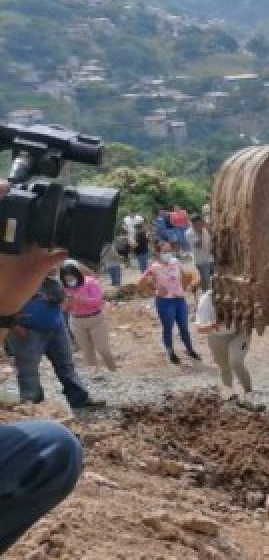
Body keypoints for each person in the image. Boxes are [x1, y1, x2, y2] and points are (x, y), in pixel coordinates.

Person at [0, 180, 84, 554]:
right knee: (29, 376)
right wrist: (6, 309)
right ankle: (31, 399)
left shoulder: (52, 285)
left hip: (49, 330)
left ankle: (67, 396)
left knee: (53, 450)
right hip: (27, 332)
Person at [6, 272, 106, 411]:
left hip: (56, 328)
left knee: (66, 366)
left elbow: (62, 298)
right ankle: (33, 408)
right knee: (28, 372)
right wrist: (14, 326)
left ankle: (80, 400)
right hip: (27, 332)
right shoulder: (9, 279)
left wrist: (60, 311)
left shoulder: (47, 279)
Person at [139, 241, 200, 365]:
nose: (168, 253)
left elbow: (186, 275)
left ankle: (189, 349)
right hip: (165, 302)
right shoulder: (154, 267)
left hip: (179, 300)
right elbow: (140, 282)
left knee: (184, 327)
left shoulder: (175, 262)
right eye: (164, 251)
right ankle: (170, 352)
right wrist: (155, 290)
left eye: (169, 251)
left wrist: (187, 285)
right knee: (168, 328)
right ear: (158, 253)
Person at [194, 289, 253, 399]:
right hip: (216, 335)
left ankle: (249, 393)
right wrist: (215, 325)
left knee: (236, 361)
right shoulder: (207, 299)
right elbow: (200, 329)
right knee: (224, 367)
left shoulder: (241, 292)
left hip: (239, 333)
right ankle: (230, 395)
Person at [61, 260, 117, 372]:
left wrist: (81, 300)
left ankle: (113, 370)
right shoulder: (64, 288)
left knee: (103, 349)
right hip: (77, 321)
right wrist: (67, 303)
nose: (70, 281)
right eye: (67, 280)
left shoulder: (90, 282)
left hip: (95, 319)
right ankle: (94, 374)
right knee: (87, 351)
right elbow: (63, 309)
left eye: (71, 278)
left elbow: (97, 301)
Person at [186, 214, 214, 292]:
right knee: (206, 282)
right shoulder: (189, 233)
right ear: (193, 224)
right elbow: (198, 245)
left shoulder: (205, 229)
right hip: (201, 261)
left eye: (201, 222)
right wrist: (200, 232)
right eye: (197, 223)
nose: (200, 224)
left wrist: (208, 228)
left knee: (214, 279)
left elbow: (213, 235)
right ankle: (207, 297)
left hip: (211, 258)